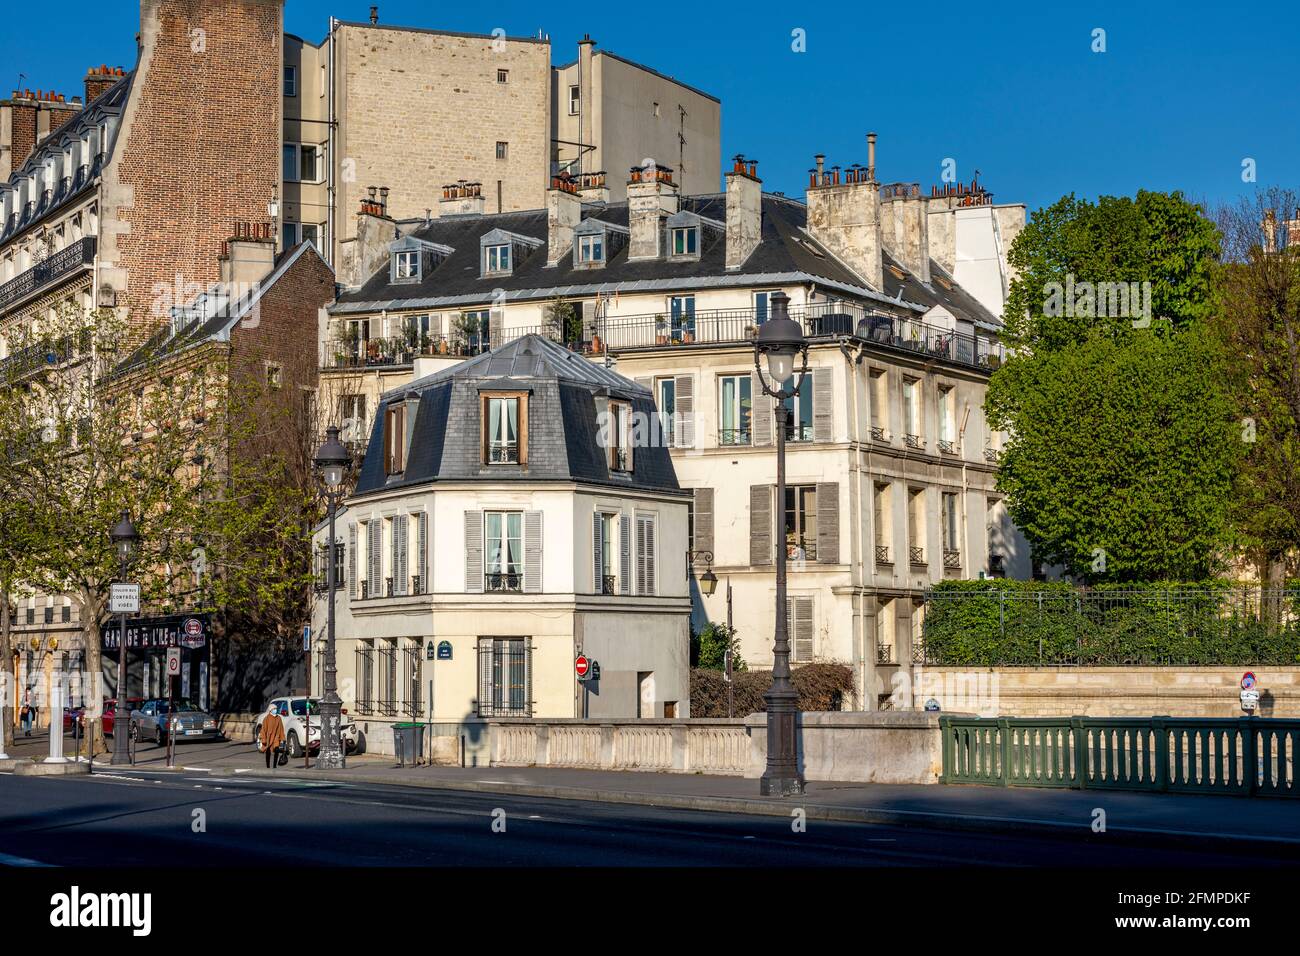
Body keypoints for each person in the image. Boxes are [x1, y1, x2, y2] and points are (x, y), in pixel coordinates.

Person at [258, 703, 285, 769]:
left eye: (276, 709)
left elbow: (281, 728)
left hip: (276, 737)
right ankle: (268, 766)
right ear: (270, 710)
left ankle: (274, 766)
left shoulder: (279, 718)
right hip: (268, 738)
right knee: (268, 752)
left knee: (276, 750)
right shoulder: (266, 718)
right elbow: (263, 729)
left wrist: (283, 738)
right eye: (274, 709)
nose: (275, 710)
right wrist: (263, 739)